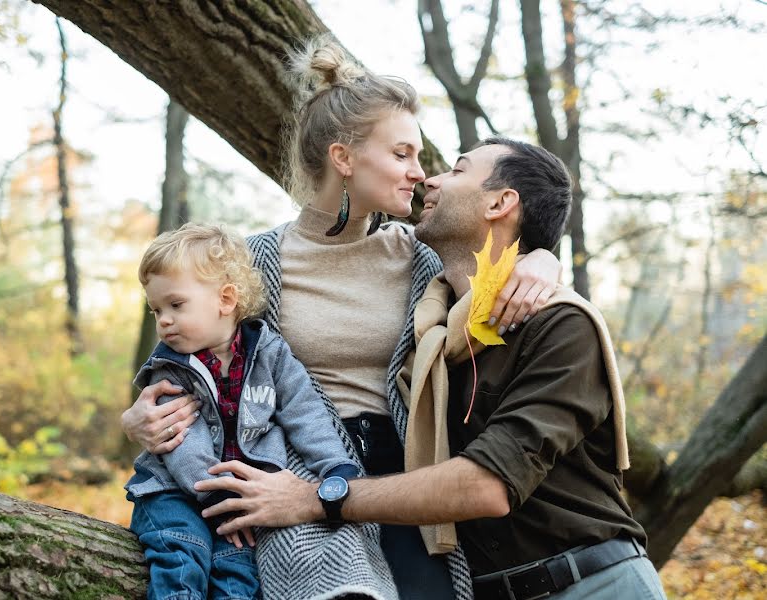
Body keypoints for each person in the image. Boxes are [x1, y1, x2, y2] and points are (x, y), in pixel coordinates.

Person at [122, 36, 562, 600]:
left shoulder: (422, 257)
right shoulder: (256, 262)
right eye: (402, 154)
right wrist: (136, 422)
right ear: (344, 158)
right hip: (294, 478)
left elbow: (494, 279)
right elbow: (192, 361)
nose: (419, 173)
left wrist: (542, 259)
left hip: (406, 480)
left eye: (419, 156)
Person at [196, 138, 668, 600]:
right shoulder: (431, 333)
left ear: (501, 202)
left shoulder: (560, 324)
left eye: (458, 170)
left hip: (591, 583)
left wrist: (317, 498)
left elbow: (486, 486)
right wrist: (166, 404)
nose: (430, 178)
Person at [126, 224, 362, 600]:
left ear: (226, 299)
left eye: (175, 304)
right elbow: (179, 442)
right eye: (156, 310)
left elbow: (305, 411)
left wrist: (334, 466)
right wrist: (217, 496)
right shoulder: (170, 369)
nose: (163, 320)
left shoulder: (269, 352)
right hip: (174, 492)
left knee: (237, 578)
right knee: (182, 556)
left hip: (241, 498)